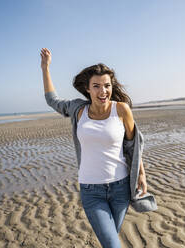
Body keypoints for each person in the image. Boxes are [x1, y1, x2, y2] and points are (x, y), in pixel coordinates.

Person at [40, 48, 157, 248]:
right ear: (87, 88)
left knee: (110, 242)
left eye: (107, 86)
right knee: (112, 244)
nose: (103, 91)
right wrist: (45, 68)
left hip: (120, 188)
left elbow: (132, 146)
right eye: (96, 86)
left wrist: (141, 175)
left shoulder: (121, 109)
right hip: (91, 191)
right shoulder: (78, 110)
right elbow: (53, 101)